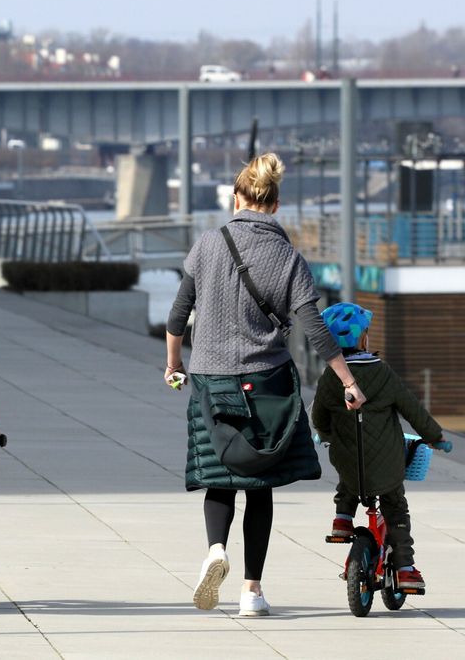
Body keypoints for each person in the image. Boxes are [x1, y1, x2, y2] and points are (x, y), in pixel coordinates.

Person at [164, 153, 367, 617]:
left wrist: (174, 364)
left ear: (237, 198)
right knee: (259, 485)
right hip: (267, 380)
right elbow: (316, 330)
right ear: (276, 206)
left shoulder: (208, 244)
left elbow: (179, 315)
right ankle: (252, 592)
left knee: (220, 476)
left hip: (211, 378)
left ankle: (216, 549)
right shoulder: (289, 258)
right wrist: (349, 381)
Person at [311, 302, 450, 590]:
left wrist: (327, 435)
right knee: (395, 506)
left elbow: (319, 417)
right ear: (363, 339)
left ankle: (343, 518)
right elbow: (413, 410)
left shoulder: (330, 378)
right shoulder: (382, 373)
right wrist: (436, 437)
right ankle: (405, 567)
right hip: (388, 462)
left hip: (348, 458)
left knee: (350, 474)